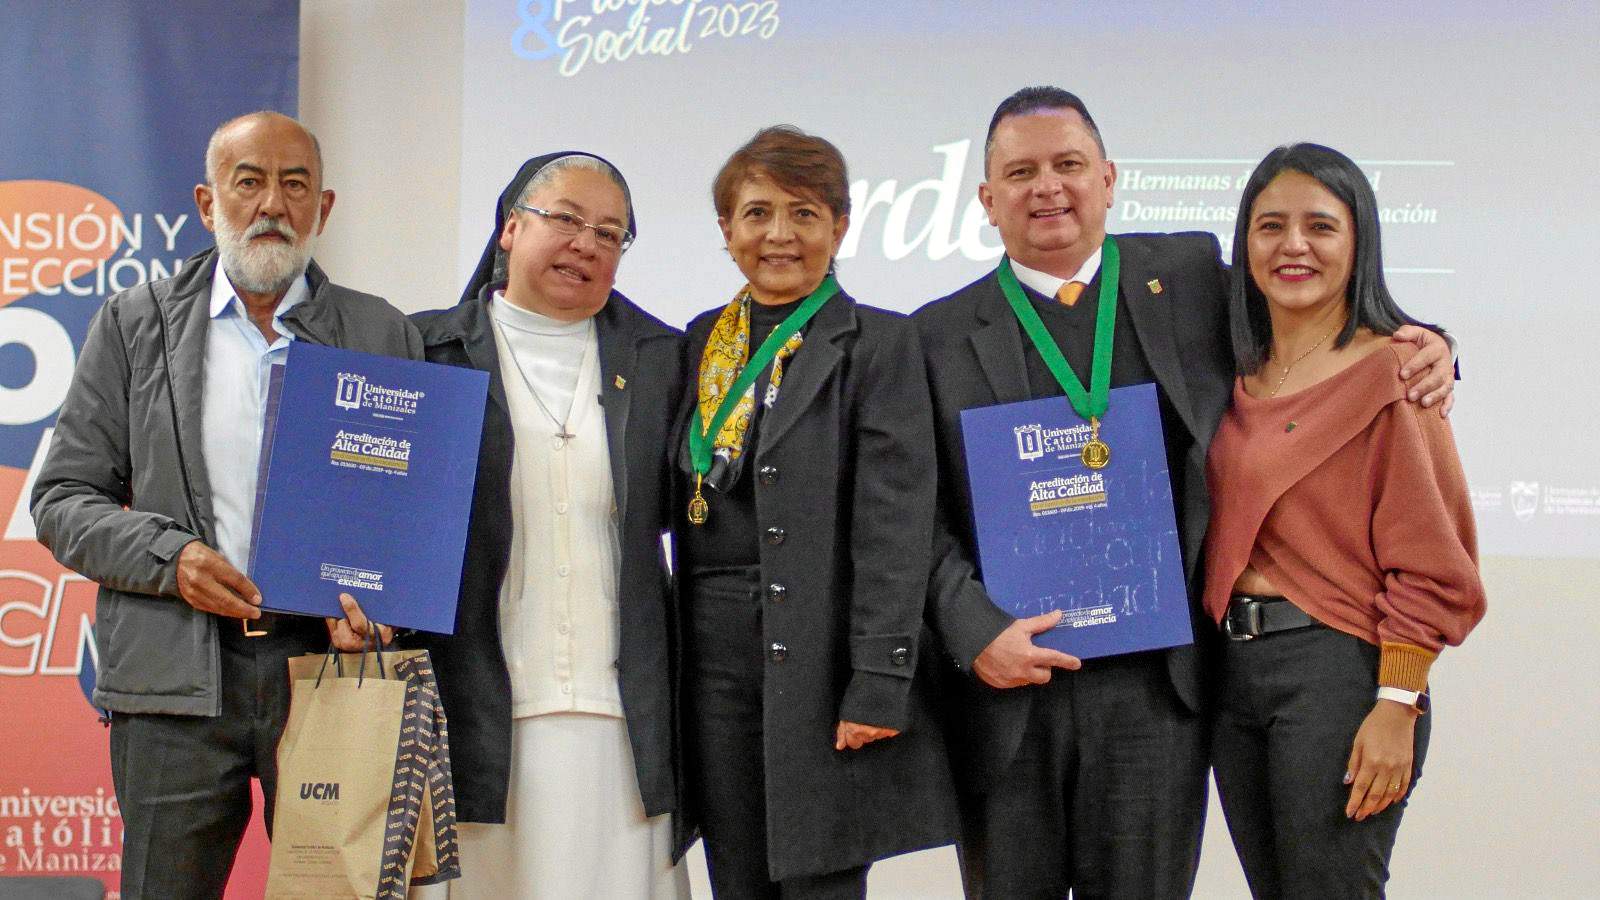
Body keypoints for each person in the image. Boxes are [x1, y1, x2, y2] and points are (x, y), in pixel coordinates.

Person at [912, 88, 1459, 899]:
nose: (1048, 188)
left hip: (1158, 694)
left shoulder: (1191, 277)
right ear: (987, 198)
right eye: (1020, 172)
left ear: (1109, 178)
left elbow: (1323, 304)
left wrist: (1437, 348)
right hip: (1007, 692)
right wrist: (973, 630)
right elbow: (907, 519)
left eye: (1068, 165)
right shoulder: (930, 336)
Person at [30, 111, 421, 899]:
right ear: (208, 204)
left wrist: (388, 611)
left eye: (295, 184)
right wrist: (169, 558)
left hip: (330, 671)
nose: (271, 204)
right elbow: (61, 498)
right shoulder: (134, 323)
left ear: (326, 207)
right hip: (173, 683)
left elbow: (413, 517)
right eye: (249, 183)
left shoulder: (380, 332)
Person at [673, 125, 958, 897]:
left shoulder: (880, 344)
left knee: (819, 879)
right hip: (709, 664)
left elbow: (895, 526)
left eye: (803, 213)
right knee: (735, 877)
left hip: (822, 654)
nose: (779, 234)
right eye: (757, 212)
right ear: (726, 230)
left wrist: (878, 679)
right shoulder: (698, 342)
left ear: (840, 226)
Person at [1204, 142, 1485, 898]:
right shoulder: (1228, 370)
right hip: (1232, 676)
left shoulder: (1394, 372)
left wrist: (1397, 705)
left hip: (1340, 674)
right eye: (1270, 227)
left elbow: (1435, 565)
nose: (1293, 245)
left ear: (1359, 242)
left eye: (1320, 227)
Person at [404, 152, 689, 898]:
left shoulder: (664, 359)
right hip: (474, 710)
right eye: (565, 219)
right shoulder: (423, 351)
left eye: (610, 232)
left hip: (617, 718)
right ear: (509, 228)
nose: (586, 243)